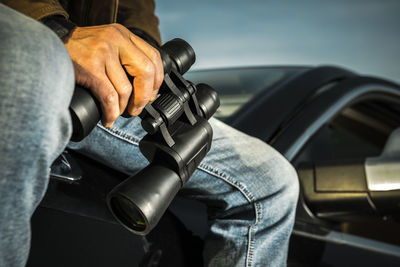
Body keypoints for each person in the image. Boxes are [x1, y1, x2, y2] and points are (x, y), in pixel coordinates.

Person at [0, 0, 299, 266]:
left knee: (270, 180)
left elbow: (136, 8)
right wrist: (56, 29)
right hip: (33, 41)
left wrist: (141, 48)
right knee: (37, 53)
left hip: (106, 84)